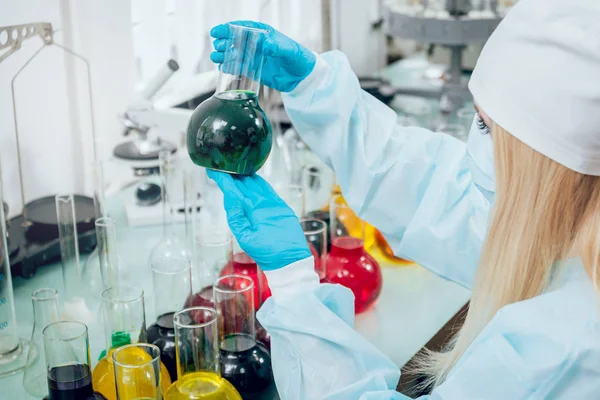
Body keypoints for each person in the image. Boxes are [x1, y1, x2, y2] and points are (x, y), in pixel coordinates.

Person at [206, 0, 600, 398]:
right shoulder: (577, 229)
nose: (472, 142)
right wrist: (318, 89)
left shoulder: (559, 349)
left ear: (548, 164)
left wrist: (292, 285)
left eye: (485, 124)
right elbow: (449, 196)